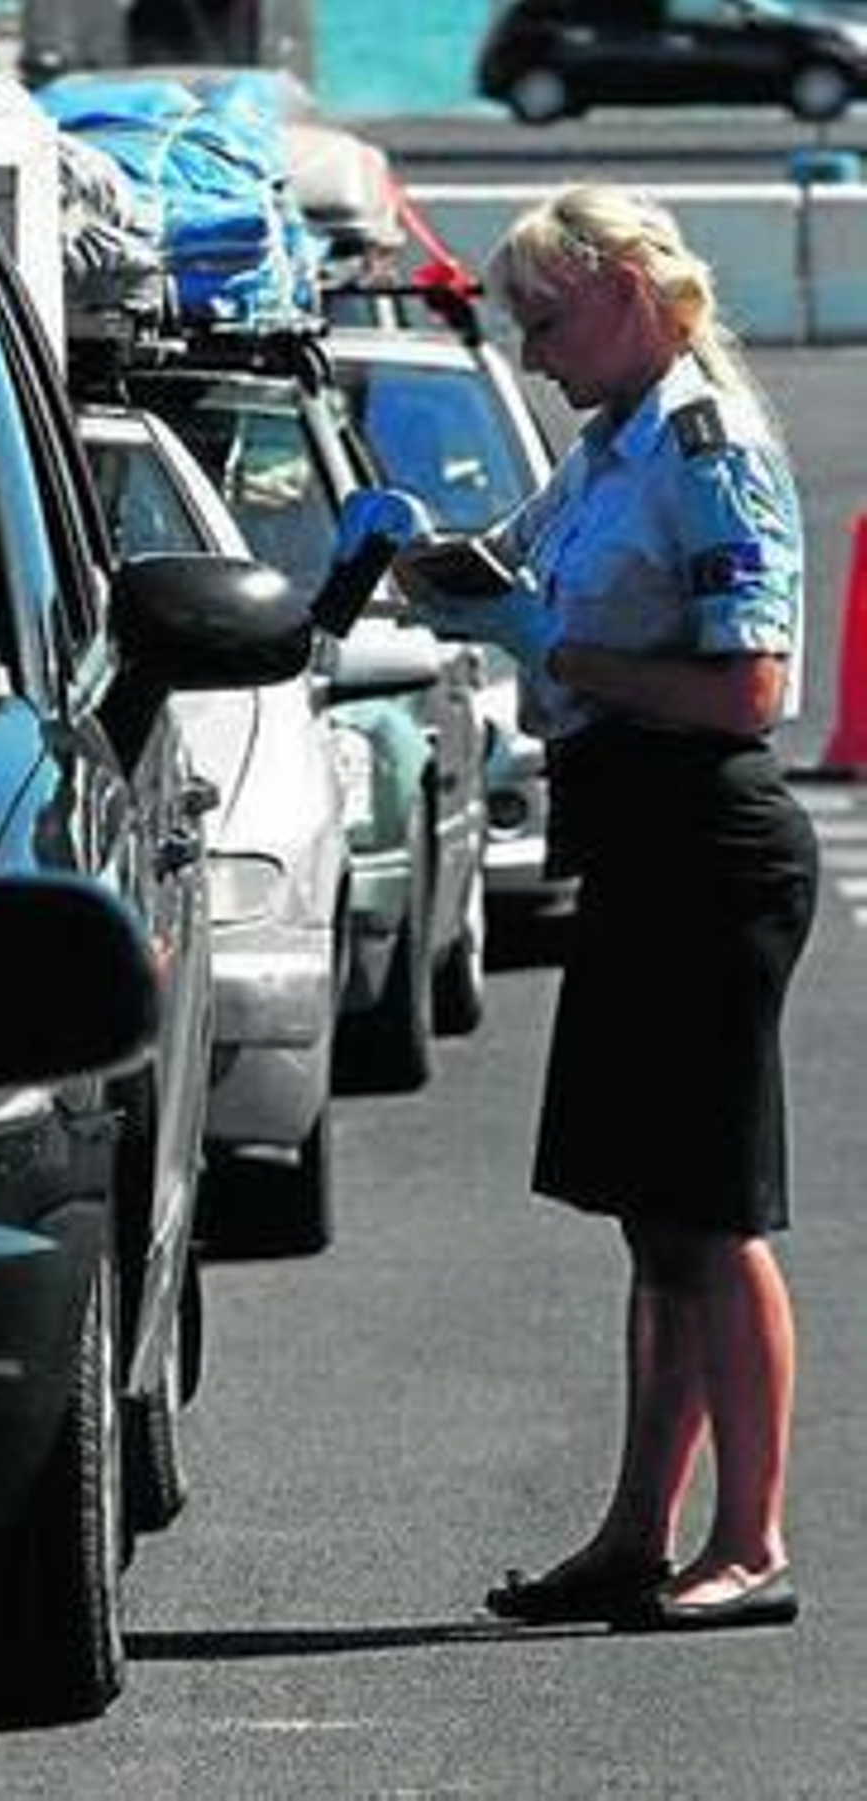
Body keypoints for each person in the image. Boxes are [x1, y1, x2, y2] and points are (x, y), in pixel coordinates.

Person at [394, 185, 819, 1632]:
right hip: (635, 837)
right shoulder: (609, 447)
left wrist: (559, 647)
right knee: (653, 1216)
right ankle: (639, 1529)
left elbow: (749, 688)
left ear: (633, 294)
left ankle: (750, 1539)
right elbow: (518, 563)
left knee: (715, 1207)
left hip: (707, 833)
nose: (535, 353)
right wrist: (431, 568)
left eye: (549, 319)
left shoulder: (706, 448)